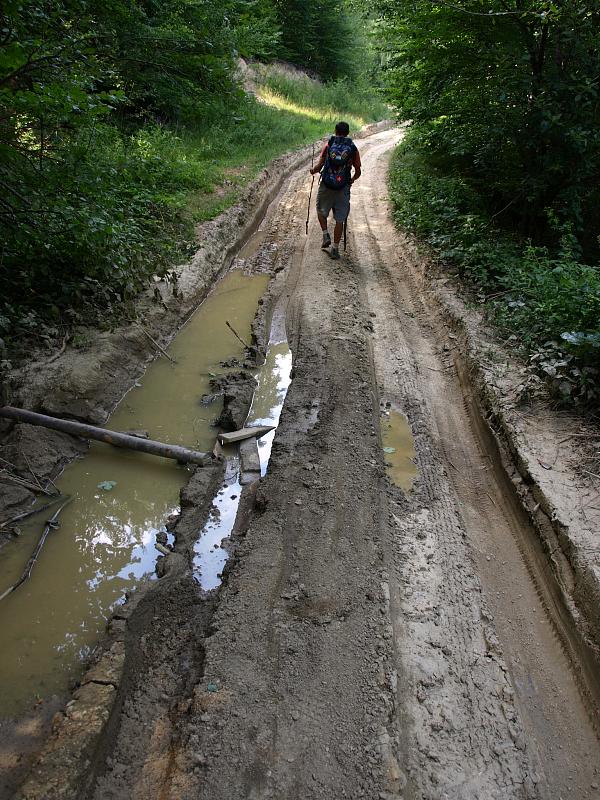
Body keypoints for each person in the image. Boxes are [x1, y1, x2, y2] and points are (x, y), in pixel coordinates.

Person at [310, 121, 361, 260]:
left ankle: (325, 234)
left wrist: (313, 171)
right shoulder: (353, 149)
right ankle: (335, 249)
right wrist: (350, 180)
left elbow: (320, 165)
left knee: (321, 210)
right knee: (340, 219)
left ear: (335, 131)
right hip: (343, 187)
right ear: (348, 133)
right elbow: (358, 171)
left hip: (326, 185)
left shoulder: (329, 145)